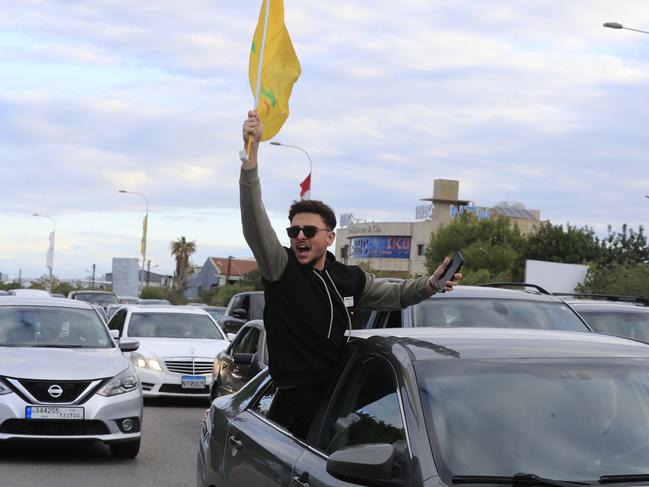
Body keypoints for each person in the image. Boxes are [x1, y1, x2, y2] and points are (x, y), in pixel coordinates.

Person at [240, 110, 462, 439]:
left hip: (342, 397)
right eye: (294, 230)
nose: (300, 236)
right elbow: (255, 222)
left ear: (330, 237)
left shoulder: (351, 278)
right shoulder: (280, 267)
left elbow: (398, 296)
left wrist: (432, 284)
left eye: (309, 231)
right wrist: (251, 157)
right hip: (293, 403)